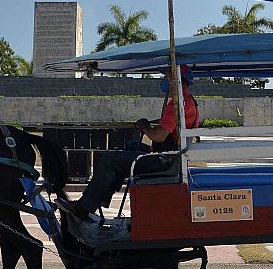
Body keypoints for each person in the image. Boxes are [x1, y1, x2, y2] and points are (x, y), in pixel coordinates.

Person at [57, 65, 200, 220]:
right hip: (170, 156)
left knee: (109, 159)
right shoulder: (187, 101)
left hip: (165, 160)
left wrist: (145, 128)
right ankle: (104, 195)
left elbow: (159, 136)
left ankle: (84, 208)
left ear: (178, 81)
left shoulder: (179, 105)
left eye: (168, 78)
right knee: (132, 146)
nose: (165, 81)